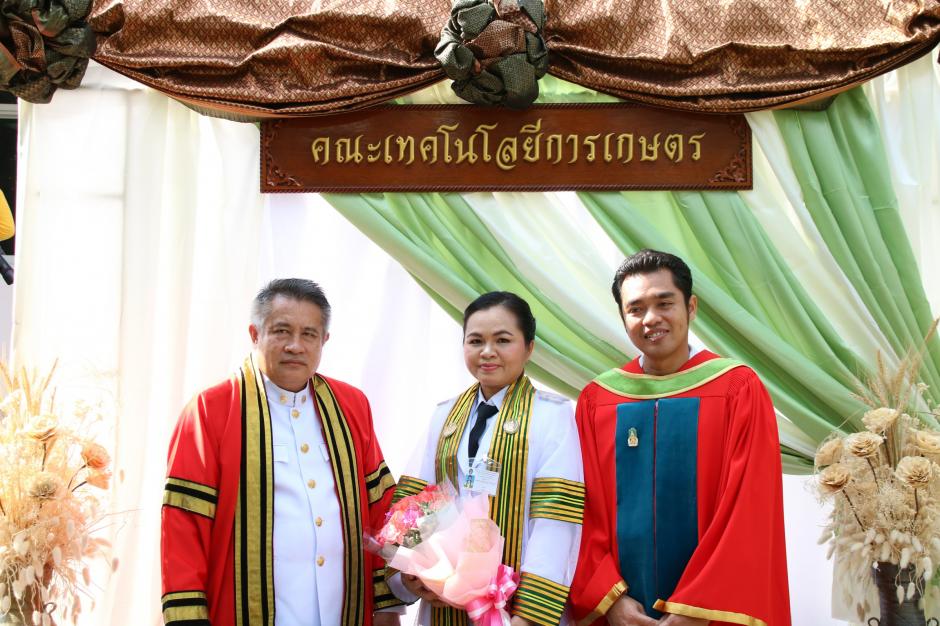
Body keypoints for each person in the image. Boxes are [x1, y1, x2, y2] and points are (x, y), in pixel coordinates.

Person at [160, 278, 404, 626]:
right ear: (255, 333)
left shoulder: (352, 405)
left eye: (309, 334)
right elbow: (184, 524)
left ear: (324, 340)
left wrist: (387, 604)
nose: (295, 346)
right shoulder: (210, 409)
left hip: (343, 611)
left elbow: (381, 509)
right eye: (281, 331)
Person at [569, 250, 791, 626]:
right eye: (636, 309)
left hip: (712, 614)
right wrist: (611, 600)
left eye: (664, 303)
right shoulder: (598, 400)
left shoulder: (737, 388)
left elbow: (748, 508)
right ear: (623, 318)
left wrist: (696, 608)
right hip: (623, 614)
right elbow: (583, 510)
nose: (651, 318)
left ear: (691, 307)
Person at [388, 291, 584, 625]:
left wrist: (529, 617)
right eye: (476, 340)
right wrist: (412, 573)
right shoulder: (445, 415)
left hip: (515, 608)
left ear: (529, 347)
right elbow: (417, 502)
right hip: (444, 600)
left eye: (503, 340)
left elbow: (555, 523)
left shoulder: (552, 416)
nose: (487, 352)